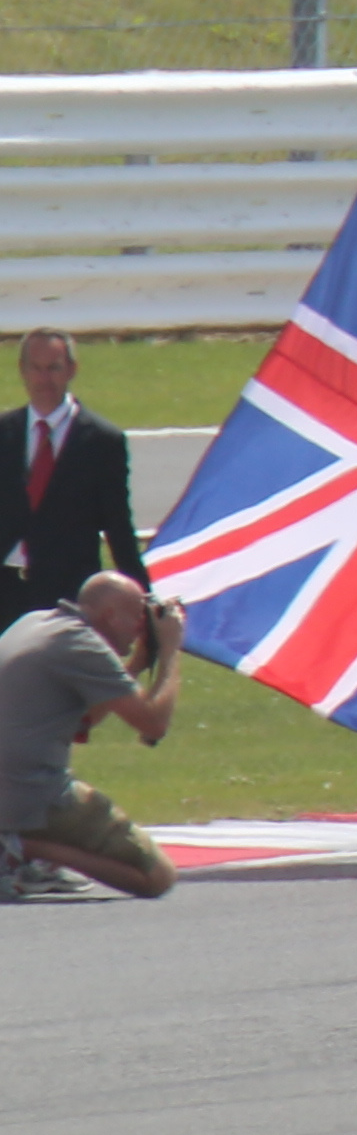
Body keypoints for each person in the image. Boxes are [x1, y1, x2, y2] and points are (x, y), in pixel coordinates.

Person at [0, 571, 184, 900]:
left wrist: (140, 660)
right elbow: (154, 724)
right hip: (30, 793)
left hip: (10, 784)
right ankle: (23, 847)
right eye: (137, 618)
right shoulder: (82, 645)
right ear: (110, 615)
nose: (141, 627)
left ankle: (22, 855)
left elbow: (82, 724)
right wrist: (170, 650)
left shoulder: (37, 622)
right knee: (157, 877)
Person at [6, 327, 144, 626]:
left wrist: (141, 601)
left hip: (66, 596)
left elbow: (118, 527)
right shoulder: (5, 433)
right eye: (36, 368)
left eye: (54, 368)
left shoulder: (102, 441)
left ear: (71, 369)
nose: (44, 379)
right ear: (23, 371)